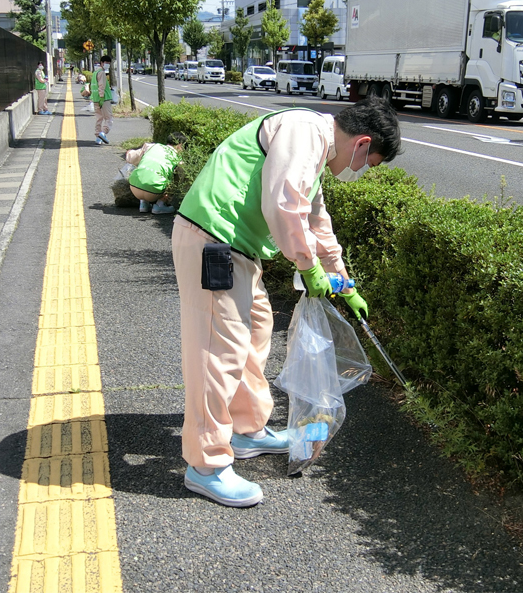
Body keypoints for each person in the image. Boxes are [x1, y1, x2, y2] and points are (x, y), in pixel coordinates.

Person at [172, 96, 401, 507]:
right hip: (214, 241)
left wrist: (343, 281)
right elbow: (283, 206)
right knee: (217, 354)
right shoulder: (305, 131)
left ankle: (246, 430)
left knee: (255, 332)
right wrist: (309, 268)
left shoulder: (313, 147)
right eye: (368, 163)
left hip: (234, 248)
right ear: (363, 143)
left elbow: (315, 218)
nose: (360, 170)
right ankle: (205, 466)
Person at [125, 133, 186, 215]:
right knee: (180, 171)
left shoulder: (151, 146)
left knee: (145, 167)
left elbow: (130, 158)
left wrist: (129, 152)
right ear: (179, 145)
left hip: (134, 187)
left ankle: (143, 203)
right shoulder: (177, 157)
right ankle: (160, 204)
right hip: (154, 192)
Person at [92, 55, 113, 145]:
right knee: (108, 118)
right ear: (101, 63)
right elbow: (102, 86)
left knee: (99, 118)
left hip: (95, 99)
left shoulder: (95, 73)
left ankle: (98, 137)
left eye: (109, 63)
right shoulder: (102, 73)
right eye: (106, 63)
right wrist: (101, 97)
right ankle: (103, 133)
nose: (107, 65)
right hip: (104, 99)